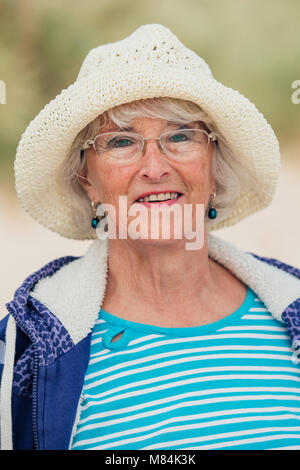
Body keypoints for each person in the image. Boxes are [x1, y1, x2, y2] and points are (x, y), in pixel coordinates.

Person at [1, 23, 300, 451]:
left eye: (180, 136)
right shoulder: (28, 349)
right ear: (88, 178)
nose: (155, 167)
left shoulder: (291, 315)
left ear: (213, 163)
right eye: (122, 141)